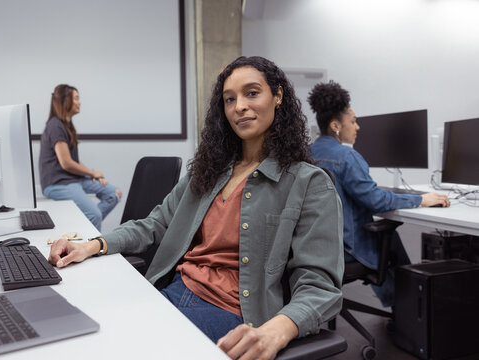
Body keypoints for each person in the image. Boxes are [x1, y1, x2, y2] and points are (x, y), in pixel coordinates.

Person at [49, 57, 344, 359]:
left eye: (252, 93)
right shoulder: (209, 171)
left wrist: (277, 329)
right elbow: (154, 224)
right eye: (229, 99)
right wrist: (92, 245)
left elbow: (319, 286)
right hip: (173, 289)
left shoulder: (309, 183)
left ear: (278, 96)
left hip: (230, 311)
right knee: (79, 336)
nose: (239, 106)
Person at [308, 80, 449, 308]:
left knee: (383, 237)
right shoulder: (346, 157)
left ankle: (399, 305)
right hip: (345, 250)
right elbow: (376, 201)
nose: (357, 127)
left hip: (315, 250)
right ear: (335, 125)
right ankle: (408, 309)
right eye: (352, 122)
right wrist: (421, 199)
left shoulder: (306, 153)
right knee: (388, 237)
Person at [39, 84, 122, 231]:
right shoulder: (55, 126)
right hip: (58, 183)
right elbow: (66, 163)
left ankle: (82, 226)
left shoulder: (67, 126)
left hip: (73, 179)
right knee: (94, 214)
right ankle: (91, 248)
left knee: (114, 193)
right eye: (76, 98)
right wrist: (91, 173)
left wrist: (94, 173)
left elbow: (74, 162)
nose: (80, 102)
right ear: (66, 100)